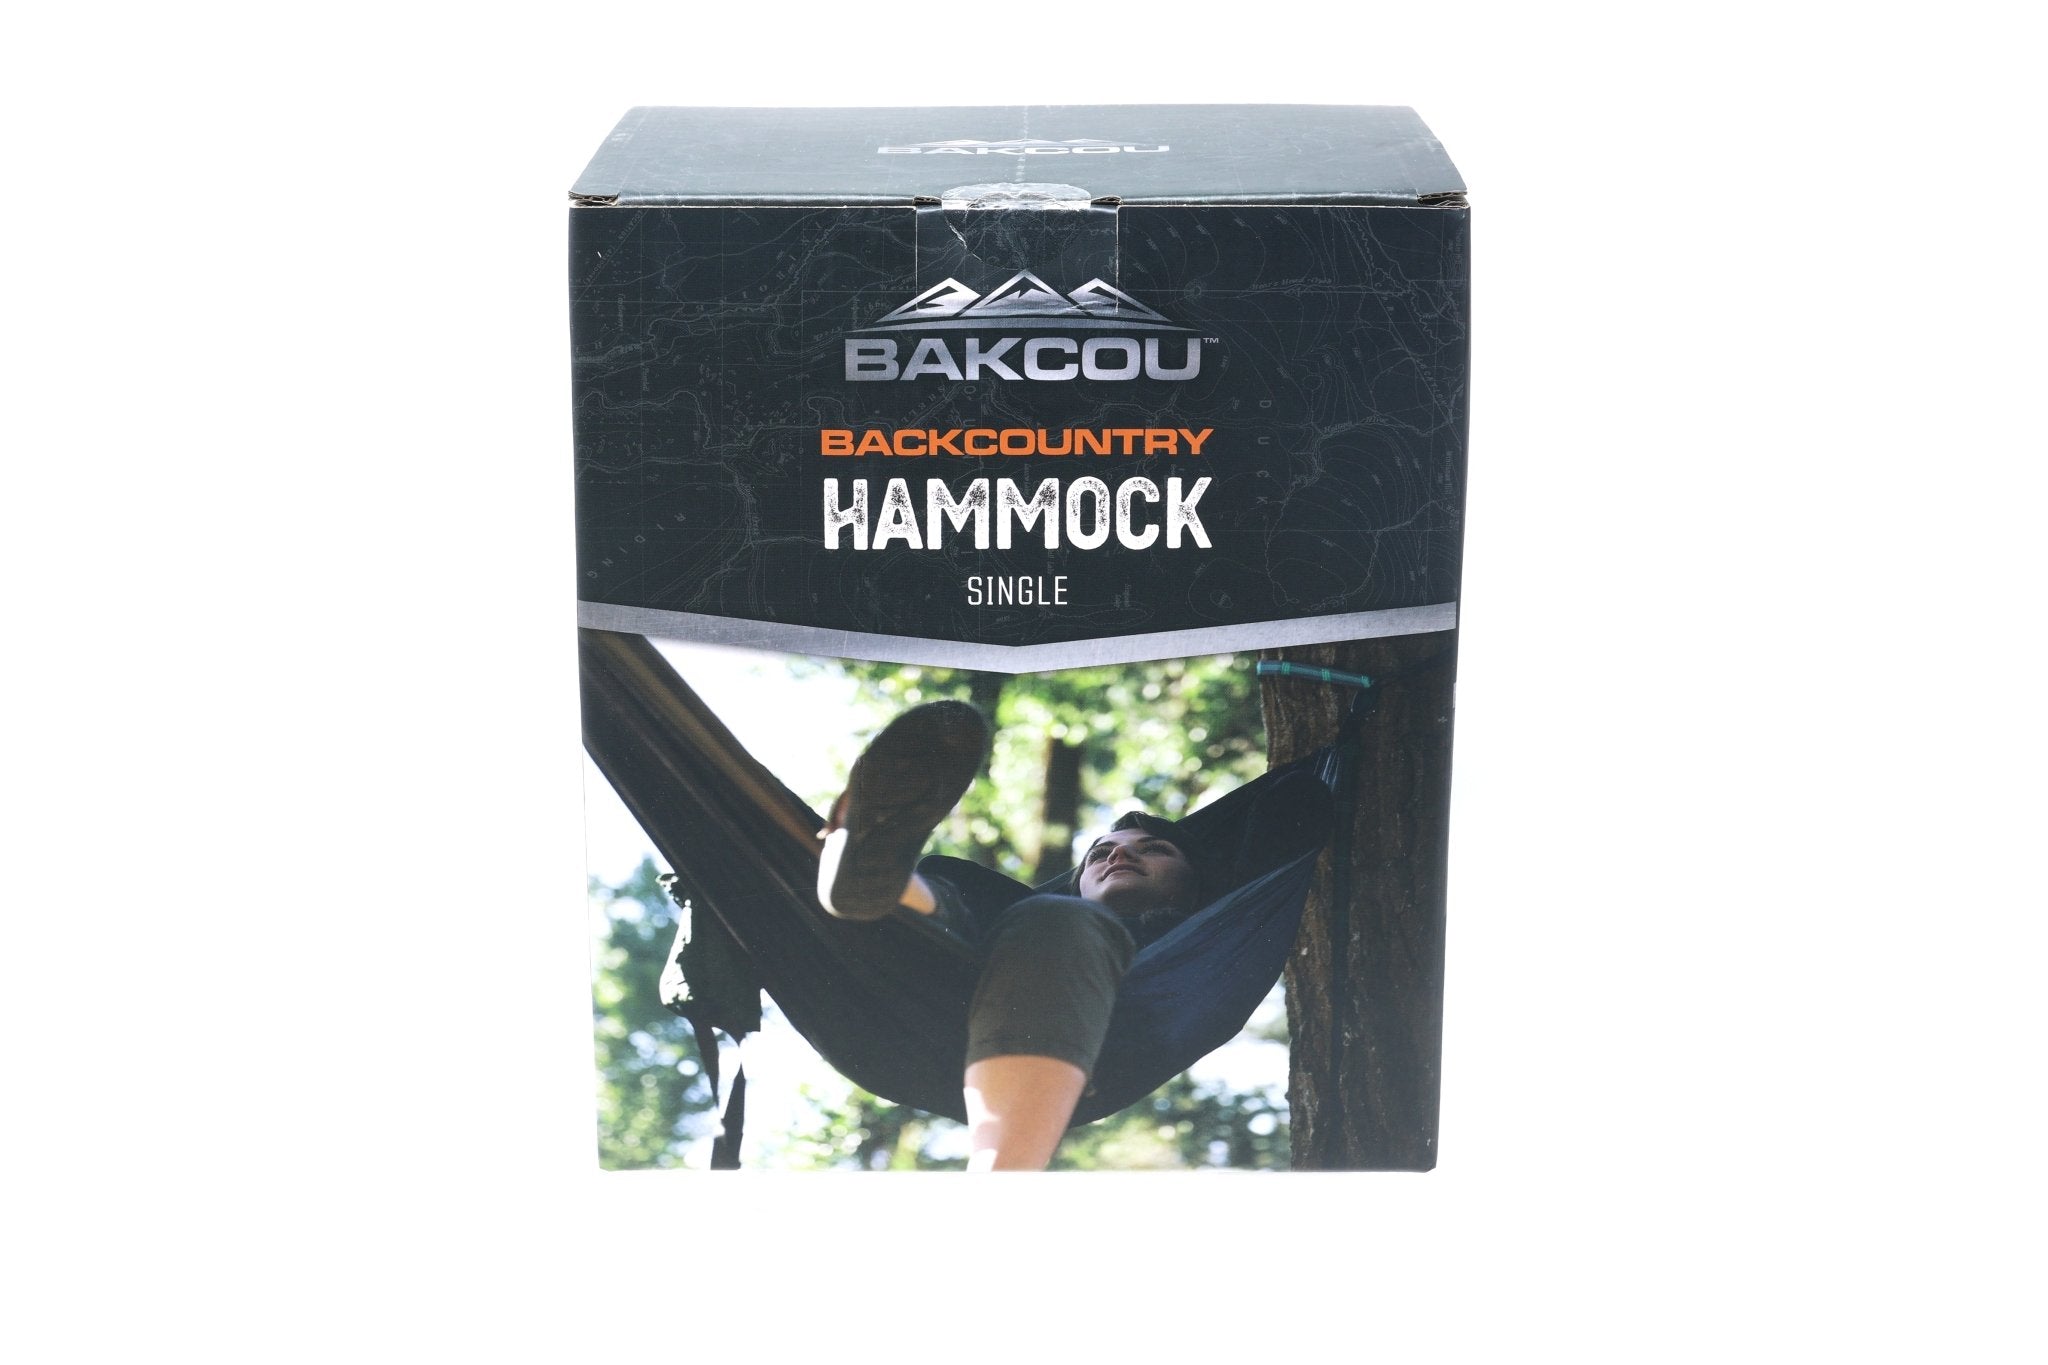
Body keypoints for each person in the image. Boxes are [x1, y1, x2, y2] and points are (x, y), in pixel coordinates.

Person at [815, 700, 1205, 1171]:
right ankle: (881, 878)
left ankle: (998, 1176)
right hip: (933, 996)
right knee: (959, 881)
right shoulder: (1025, 912)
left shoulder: (1193, 939)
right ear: (1079, 881)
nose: (1117, 856)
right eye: (1100, 853)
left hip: (1082, 1045)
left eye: (1154, 849)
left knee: (1059, 920)